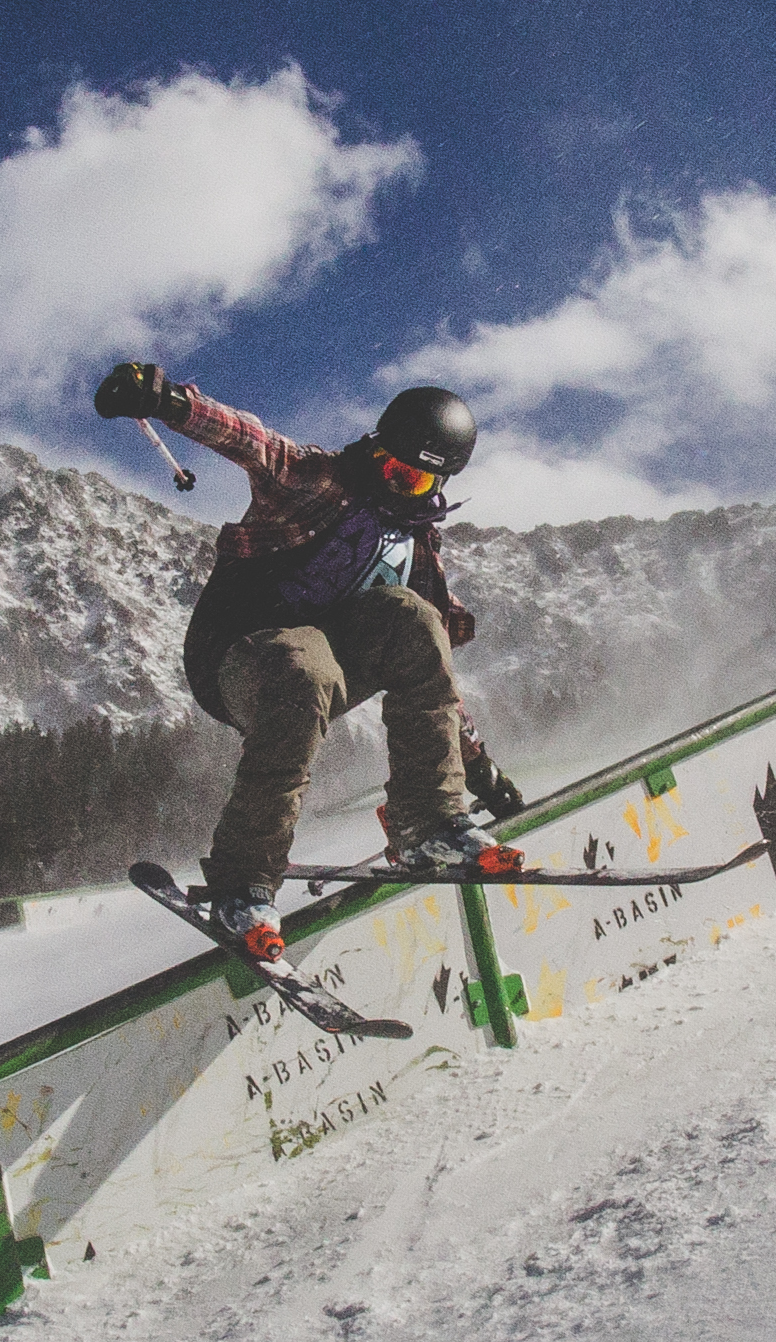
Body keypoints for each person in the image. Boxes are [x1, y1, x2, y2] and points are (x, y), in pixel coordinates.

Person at [94, 361, 527, 965]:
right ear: (376, 449)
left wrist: (482, 774)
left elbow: (434, 681)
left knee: (416, 619)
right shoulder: (319, 479)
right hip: (239, 656)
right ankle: (244, 880)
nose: (399, 487)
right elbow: (248, 439)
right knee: (305, 668)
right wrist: (167, 400)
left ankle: (427, 822)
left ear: (439, 484)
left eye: (416, 482)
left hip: (324, 665)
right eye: (393, 469)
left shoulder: (419, 553)